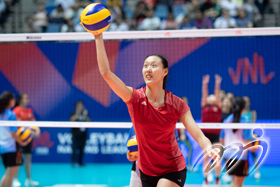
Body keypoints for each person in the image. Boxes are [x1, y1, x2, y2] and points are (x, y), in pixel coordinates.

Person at [91, 31, 219, 187]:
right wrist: (98, 36)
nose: (148, 69)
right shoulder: (135, 98)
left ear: (165, 71)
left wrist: (208, 147)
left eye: (153, 65)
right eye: (145, 66)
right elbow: (106, 73)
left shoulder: (177, 104)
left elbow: (198, 134)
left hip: (173, 168)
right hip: (146, 171)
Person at [220, 97, 257, 187]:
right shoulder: (245, 122)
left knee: (236, 183)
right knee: (237, 184)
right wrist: (255, 147)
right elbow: (247, 142)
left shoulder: (226, 121)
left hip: (228, 156)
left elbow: (221, 139)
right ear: (243, 108)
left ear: (232, 107)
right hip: (241, 158)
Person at [0, 91, 31, 187]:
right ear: (10, 101)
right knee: (10, 175)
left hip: (2, 147)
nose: (14, 100)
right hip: (12, 148)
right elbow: (13, 133)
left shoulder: (1, 113)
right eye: (13, 98)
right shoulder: (11, 114)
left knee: (7, 174)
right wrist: (22, 142)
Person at [12, 93, 39, 187]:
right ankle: (15, 179)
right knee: (18, 159)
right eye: (25, 98)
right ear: (19, 100)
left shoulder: (29, 110)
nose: (27, 100)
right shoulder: (16, 110)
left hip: (28, 138)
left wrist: (37, 130)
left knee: (28, 159)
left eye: (27, 98)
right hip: (19, 139)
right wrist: (31, 130)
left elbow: (33, 123)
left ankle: (29, 179)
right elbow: (20, 125)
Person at [201, 74, 222, 185]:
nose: (212, 97)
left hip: (216, 136)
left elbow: (217, 95)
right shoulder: (205, 106)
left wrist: (217, 83)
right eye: (210, 96)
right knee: (206, 158)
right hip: (206, 136)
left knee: (216, 159)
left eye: (213, 96)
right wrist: (205, 84)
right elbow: (204, 95)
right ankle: (206, 179)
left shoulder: (218, 107)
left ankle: (217, 178)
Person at [242, 96, 260, 179]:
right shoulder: (240, 113)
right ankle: (245, 171)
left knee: (253, 154)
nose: (246, 103)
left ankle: (257, 171)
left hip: (251, 136)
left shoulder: (252, 112)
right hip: (243, 136)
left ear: (249, 103)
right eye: (244, 101)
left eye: (247, 101)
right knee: (243, 154)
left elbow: (253, 124)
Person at [70, 101, 90, 167]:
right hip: (75, 134)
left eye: (81, 105)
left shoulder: (84, 113)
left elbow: (90, 122)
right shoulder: (73, 113)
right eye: (78, 106)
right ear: (76, 107)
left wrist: (85, 115)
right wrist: (77, 114)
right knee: (74, 149)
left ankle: (80, 163)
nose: (80, 107)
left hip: (83, 135)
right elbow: (71, 120)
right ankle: (73, 162)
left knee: (82, 149)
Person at [179, 96, 196, 171]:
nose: (185, 103)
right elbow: (181, 122)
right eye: (184, 101)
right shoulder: (180, 110)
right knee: (177, 152)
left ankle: (189, 165)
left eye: (186, 101)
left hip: (183, 135)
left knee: (190, 148)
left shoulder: (186, 111)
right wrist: (182, 135)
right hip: (178, 135)